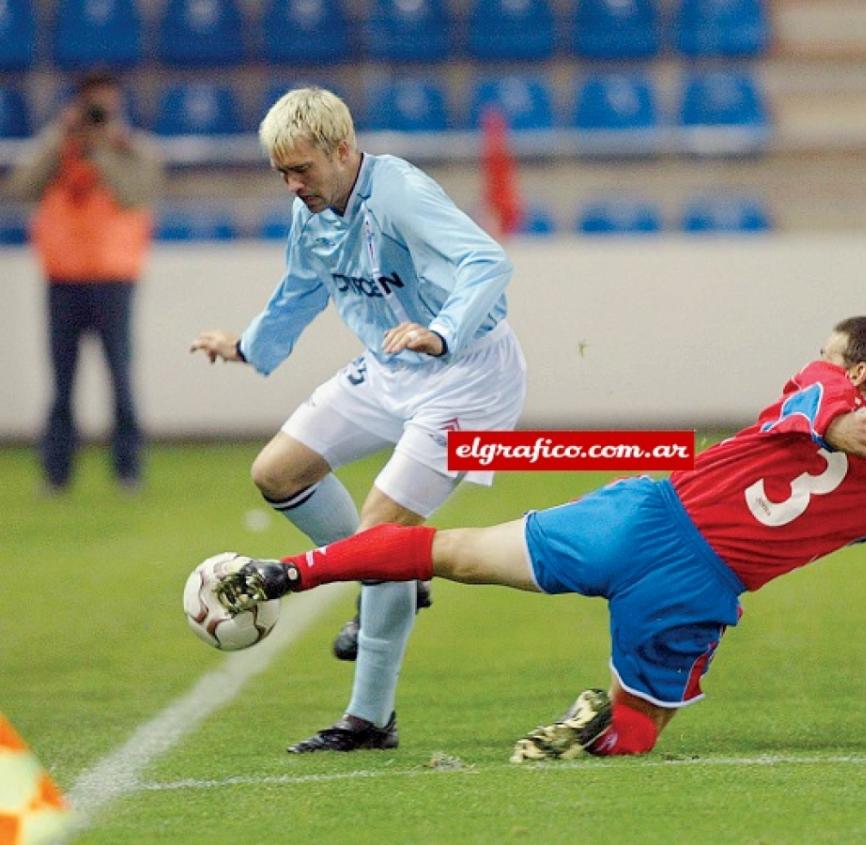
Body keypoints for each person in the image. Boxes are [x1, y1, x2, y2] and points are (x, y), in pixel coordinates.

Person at [214, 316, 866, 761]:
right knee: (640, 732)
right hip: (695, 590)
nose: (816, 358)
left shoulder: (823, 388)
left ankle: (289, 570)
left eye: (829, 349)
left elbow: (817, 398)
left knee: (446, 551)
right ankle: (601, 715)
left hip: (639, 519)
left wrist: (834, 417)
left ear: (861, 375)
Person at [190, 88, 526, 753]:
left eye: (301, 169)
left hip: (468, 374)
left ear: (342, 149)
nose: (292, 184)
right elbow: (299, 288)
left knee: (378, 534)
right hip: (389, 366)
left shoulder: (398, 191)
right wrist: (250, 346)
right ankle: (394, 568)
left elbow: (489, 261)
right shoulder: (309, 212)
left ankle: (369, 719)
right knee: (277, 472)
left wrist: (441, 331)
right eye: (281, 172)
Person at [6, 72, 163, 492]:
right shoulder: (59, 148)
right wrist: (61, 139)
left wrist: (103, 150)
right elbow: (21, 187)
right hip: (64, 278)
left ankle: (127, 471)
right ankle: (56, 474)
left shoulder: (130, 150)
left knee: (120, 377)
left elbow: (136, 193)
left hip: (113, 278)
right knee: (61, 382)